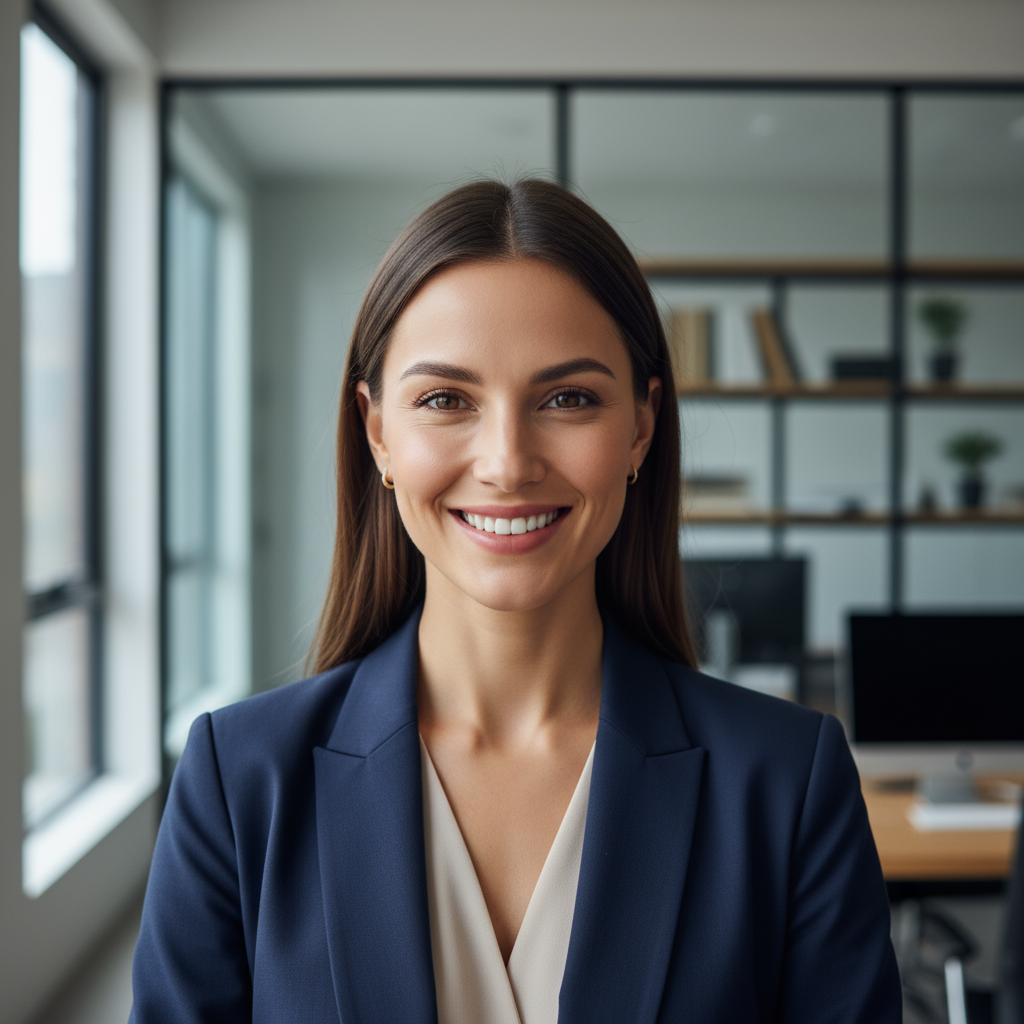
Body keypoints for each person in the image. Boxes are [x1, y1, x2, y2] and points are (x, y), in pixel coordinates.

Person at [129, 178, 902, 1024]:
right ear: (378, 432)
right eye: (445, 400)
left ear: (641, 427)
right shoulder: (238, 783)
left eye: (568, 399)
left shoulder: (788, 785)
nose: (506, 463)